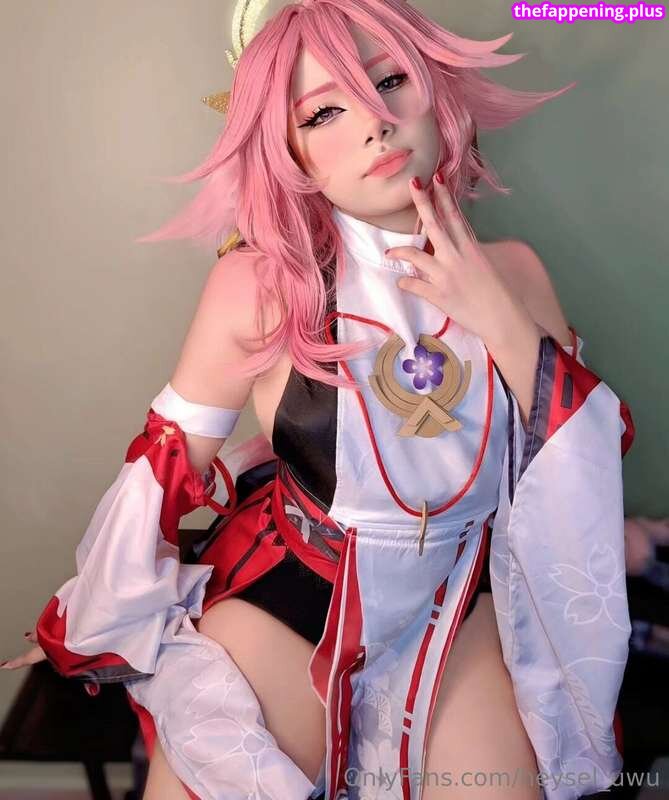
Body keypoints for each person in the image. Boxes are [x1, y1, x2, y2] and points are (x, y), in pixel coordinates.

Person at [2, 1, 636, 798]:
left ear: (436, 92)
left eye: (390, 82)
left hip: (457, 600)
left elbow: (578, 459)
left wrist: (498, 316)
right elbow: (167, 463)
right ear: (288, 150)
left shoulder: (515, 273)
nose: (374, 124)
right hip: (294, 595)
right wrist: (88, 615)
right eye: (325, 112)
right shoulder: (261, 285)